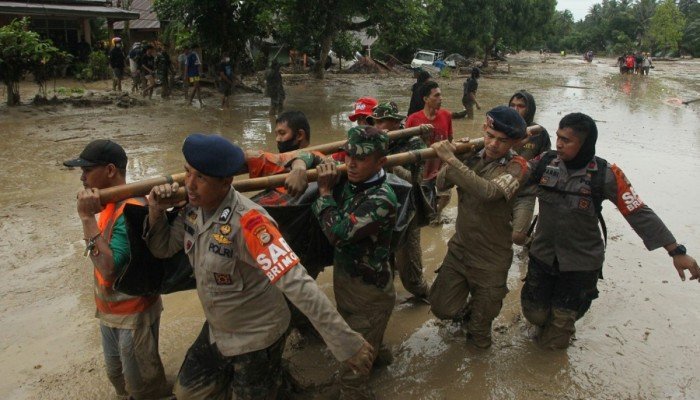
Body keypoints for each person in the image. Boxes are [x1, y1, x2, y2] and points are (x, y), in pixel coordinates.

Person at [145, 133, 374, 399]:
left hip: (256, 336)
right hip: (219, 328)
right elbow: (162, 248)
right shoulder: (192, 209)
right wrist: (156, 209)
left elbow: (297, 282)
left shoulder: (251, 224)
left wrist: (345, 342)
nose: (190, 185)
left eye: (201, 178)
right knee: (188, 392)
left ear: (226, 182)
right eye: (188, 173)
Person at [521, 113, 700, 349]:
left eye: (567, 140)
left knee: (556, 338)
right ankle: (548, 320)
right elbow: (513, 176)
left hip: (581, 264)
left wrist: (676, 250)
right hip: (543, 255)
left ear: (585, 144)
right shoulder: (544, 162)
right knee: (535, 315)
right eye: (558, 137)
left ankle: (563, 325)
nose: (559, 144)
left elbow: (638, 212)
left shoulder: (605, 174)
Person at [64, 140, 170, 400]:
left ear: (110, 170)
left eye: (88, 170)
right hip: (110, 311)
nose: (82, 177)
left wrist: (87, 219)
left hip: (133, 315)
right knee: (116, 376)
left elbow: (109, 269)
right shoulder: (108, 202)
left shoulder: (130, 209)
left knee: (143, 387)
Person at [428, 106, 528, 349]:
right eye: (490, 135)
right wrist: (457, 157)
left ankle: (477, 320)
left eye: (502, 141)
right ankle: (468, 310)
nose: (493, 144)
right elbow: (441, 182)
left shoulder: (518, 166)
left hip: (491, 259)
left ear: (514, 142)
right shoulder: (471, 155)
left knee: (479, 334)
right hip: (461, 249)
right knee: (441, 307)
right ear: (484, 128)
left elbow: (489, 192)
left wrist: (453, 161)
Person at [312, 126, 398, 400]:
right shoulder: (352, 180)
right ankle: (381, 355)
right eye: (348, 155)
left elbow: (338, 234)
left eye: (360, 159)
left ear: (380, 162)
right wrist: (306, 164)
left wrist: (325, 193)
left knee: (352, 375)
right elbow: (307, 156)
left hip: (370, 296)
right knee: (366, 341)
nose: (350, 163)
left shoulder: (382, 199)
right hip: (349, 286)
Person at [367, 101, 430, 300]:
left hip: (407, 211)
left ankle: (426, 295)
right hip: (381, 208)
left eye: (381, 122)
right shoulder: (372, 142)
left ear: (395, 123)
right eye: (374, 123)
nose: (377, 127)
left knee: (411, 275)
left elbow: (415, 182)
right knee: (382, 263)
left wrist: (390, 165)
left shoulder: (414, 143)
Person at [406, 81, 453, 223]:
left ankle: (437, 214)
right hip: (422, 168)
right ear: (426, 99)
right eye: (436, 95)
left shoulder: (446, 115)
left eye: (441, 95)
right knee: (422, 200)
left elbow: (450, 140)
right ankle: (430, 214)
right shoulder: (413, 119)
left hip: (441, 166)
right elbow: (406, 146)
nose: (441, 98)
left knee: (445, 195)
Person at [508, 90, 551, 246]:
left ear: (530, 109)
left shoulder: (539, 133)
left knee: (518, 237)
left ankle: (531, 243)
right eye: (512, 105)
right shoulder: (502, 128)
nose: (515, 109)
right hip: (501, 189)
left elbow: (546, 161)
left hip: (525, 192)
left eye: (520, 106)